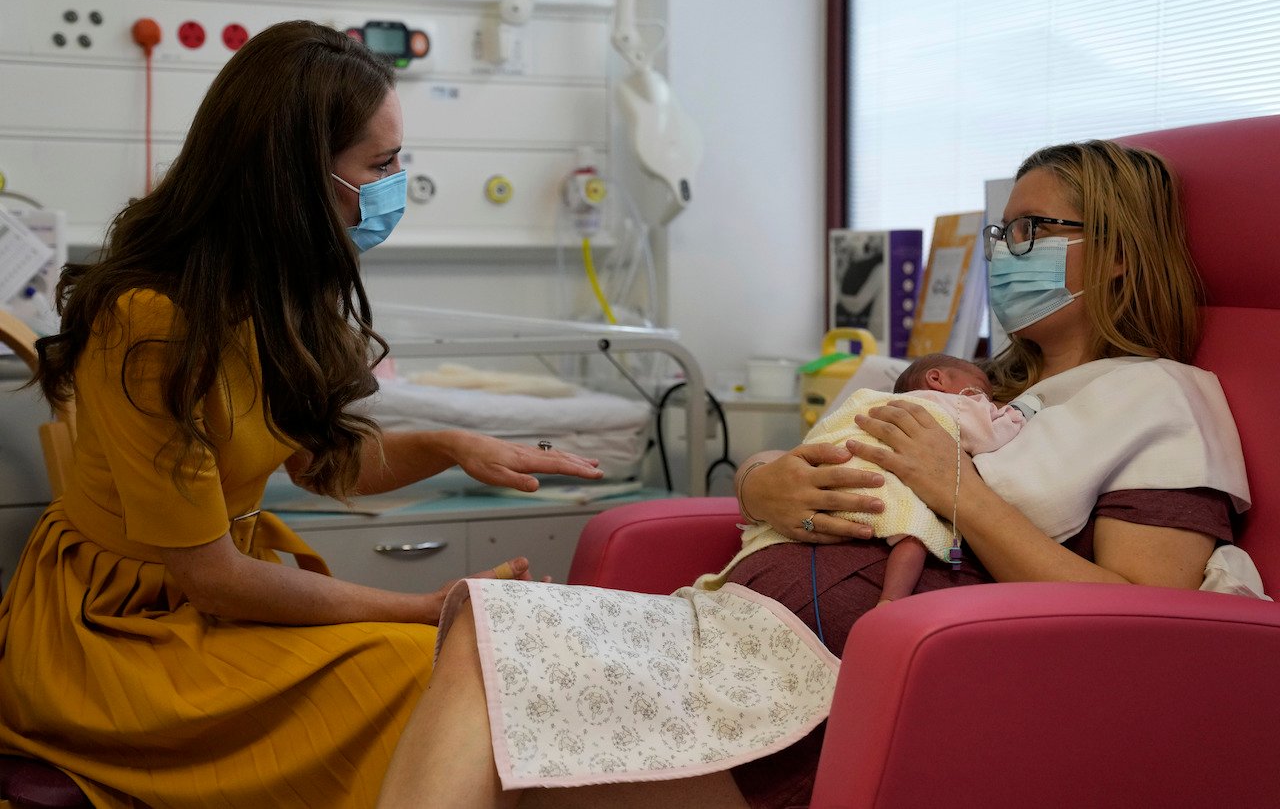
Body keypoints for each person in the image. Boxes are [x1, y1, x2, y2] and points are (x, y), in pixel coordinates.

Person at [377, 139, 1250, 809]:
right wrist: (759, 483)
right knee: (486, 648)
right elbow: (807, 451)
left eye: (1032, 231)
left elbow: (1136, 613)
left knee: (490, 671)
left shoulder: (1158, 398)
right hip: (742, 634)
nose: (1005, 250)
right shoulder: (966, 379)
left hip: (841, 678)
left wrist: (963, 496)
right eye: (1001, 231)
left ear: (1123, 253)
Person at [0, 19, 605, 808]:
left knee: (466, 679)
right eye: (381, 165)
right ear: (291, 177)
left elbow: (321, 461)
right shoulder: (151, 323)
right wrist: (425, 608)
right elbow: (212, 578)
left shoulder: (283, 288)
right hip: (114, 637)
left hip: (210, 606)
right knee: (427, 679)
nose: (395, 184)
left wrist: (454, 446)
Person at [697, 352, 1027, 608]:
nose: (984, 401)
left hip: (783, 628)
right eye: (981, 394)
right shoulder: (958, 403)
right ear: (936, 380)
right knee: (911, 533)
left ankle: (890, 600)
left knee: (912, 530)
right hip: (750, 606)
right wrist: (754, 485)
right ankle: (891, 599)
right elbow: (799, 458)